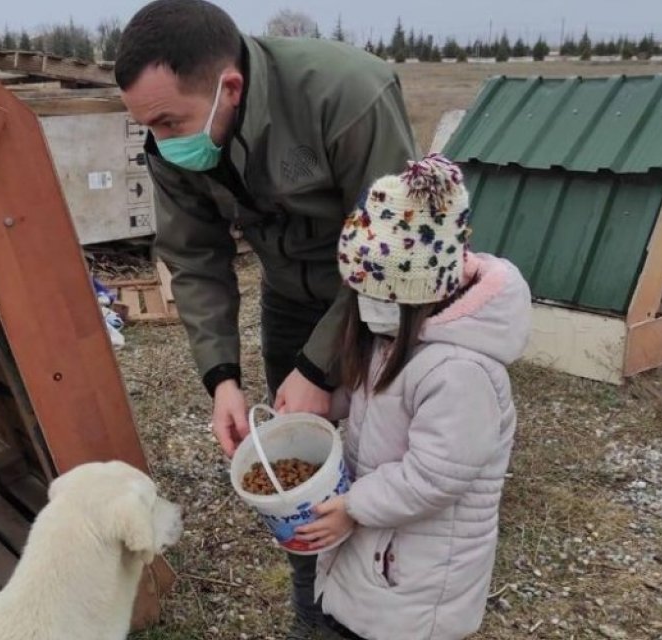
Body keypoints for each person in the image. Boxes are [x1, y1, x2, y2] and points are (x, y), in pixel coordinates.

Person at [114, 2, 418, 634]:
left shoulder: (348, 94)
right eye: (150, 126)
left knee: (384, 457)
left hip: (385, 298)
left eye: (171, 121)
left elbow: (393, 249)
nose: (163, 142)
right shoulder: (171, 144)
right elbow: (194, 258)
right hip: (289, 300)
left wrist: (320, 365)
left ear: (230, 87)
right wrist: (222, 377)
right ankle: (315, 613)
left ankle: (393, 609)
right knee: (305, 472)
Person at [294, 155, 532, 639]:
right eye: (359, 292)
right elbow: (373, 399)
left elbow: (434, 475)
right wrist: (325, 404)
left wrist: (352, 507)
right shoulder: (392, 338)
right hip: (387, 547)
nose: (366, 307)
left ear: (421, 293)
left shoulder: (461, 372)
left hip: (420, 577)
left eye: (380, 295)